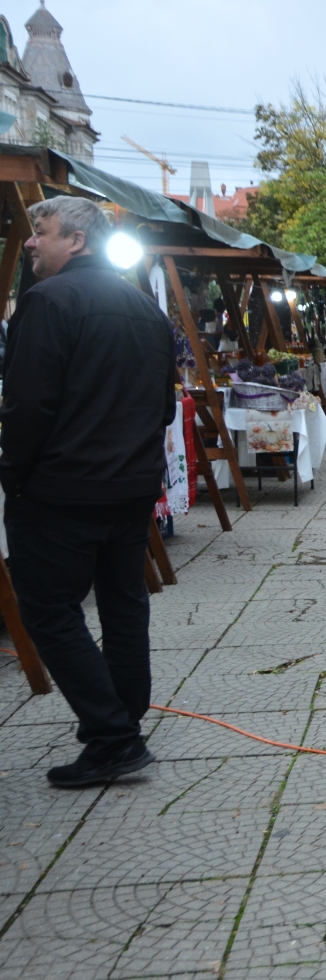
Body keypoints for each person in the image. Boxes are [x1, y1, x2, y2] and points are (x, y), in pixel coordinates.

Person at [0, 195, 175, 789]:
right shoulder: (142, 306)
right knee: (124, 602)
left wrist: (14, 476)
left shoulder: (48, 301)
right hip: (127, 486)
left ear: (75, 240)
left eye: (39, 232)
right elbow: (163, 405)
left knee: (49, 610)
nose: (29, 242)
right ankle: (122, 716)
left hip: (63, 488)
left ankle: (112, 735)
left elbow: (27, 405)